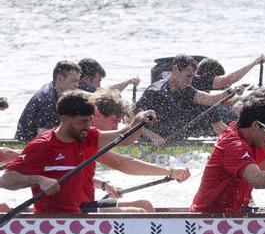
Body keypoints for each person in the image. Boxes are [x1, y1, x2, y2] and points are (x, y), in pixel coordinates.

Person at [0, 91, 156, 214]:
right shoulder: (42, 146)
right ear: (64, 118)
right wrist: (39, 179)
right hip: (54, 221)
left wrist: (138, 121)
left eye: (89, 120)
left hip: (80, 212)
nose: (88, 126)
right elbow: (6, 180)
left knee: (144, 207)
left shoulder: (87, 136)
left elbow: (123, 139)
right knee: (138, 212)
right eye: (82, 121)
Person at [80, 89, 191, 212]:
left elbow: (124, 162)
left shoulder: (92, 140)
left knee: (145, 205)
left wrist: (103, 185)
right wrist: (139, 120)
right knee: (138, 212)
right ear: (97, 115)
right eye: (115, 121)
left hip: (85, 201)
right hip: (75, 208)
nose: (116, 127)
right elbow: (124, 159)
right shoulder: (82, 136)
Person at [135, 54, 245, 146]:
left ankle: (239, 142)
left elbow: (211, 100)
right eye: (188, 76)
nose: (190, 81)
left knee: (207, 107)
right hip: (148, 144)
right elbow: (131, 118)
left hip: (174, 142)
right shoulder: (155, 92)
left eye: (192, 77)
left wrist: (230, 92)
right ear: (175, 70)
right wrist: (154, 137)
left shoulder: (185, 89)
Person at [15, 60, 82, 142]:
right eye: (74, 81)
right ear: (60, 79)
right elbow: (44, 134)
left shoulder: (56, 90)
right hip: (28, 144)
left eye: (78, 81)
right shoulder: (46, 100)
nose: (77, 85)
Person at [192, 55, 265, 91]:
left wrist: (234, 91)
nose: (219, 79)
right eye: (217, 77)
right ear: (206, 74)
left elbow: (227, 85)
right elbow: (229, 79)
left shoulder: (204, 84)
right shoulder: (196, 81)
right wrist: (254, 63)